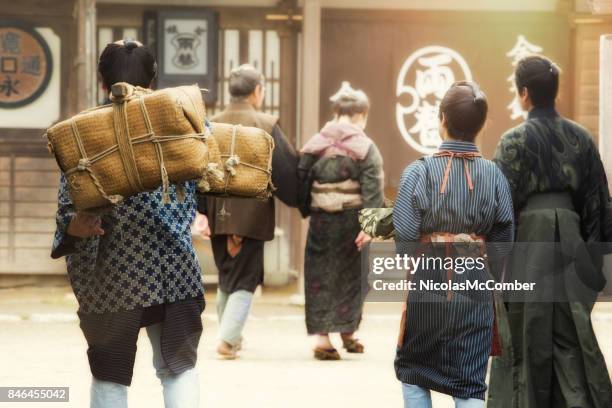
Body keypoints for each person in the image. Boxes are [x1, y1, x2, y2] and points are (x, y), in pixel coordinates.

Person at [51, 40, 204, 408]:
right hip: (174, 267)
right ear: (154, 77)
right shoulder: (178, 120)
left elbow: (68, 211)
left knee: (110, 374)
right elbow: (208, 172)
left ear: (103, 80)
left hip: (112, 274)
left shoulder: (82, 133)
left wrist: (74, 227)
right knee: (178, 368)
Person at [488, 55, 612, 408]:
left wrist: (499, 259)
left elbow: (501, 204)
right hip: (571, 237)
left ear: (524, 94)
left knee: (528, 329)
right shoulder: (580, 138)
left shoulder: (513, 141)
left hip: (530, 239)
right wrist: (593, 259)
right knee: (572, 332)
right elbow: (596, 200)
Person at [393, 81, 514, 407]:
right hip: (475, 285)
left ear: (441, 118)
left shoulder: (417, 173)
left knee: (414, 370)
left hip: (427, 283)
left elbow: (404, 241)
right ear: (483, 123)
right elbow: (503, 243)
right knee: (471, 381)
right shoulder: (495, 175)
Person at [197, 64, 299, 360]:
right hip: (252, 213)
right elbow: (285, 169)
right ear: (257, 92)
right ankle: (227, 340)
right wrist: (299, 197)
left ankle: (232, 336)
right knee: (245, 279)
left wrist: (202, 212)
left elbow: (198, 167)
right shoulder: (266, 124)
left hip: (218, 211)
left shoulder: (212, 124)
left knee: (229, 275)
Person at [298, 81, 384, 360]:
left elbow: (301, 181)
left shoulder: (315, 144)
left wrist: (308, 208)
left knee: (319, 275)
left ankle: (324, 338)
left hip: (322, 220)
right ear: (361, 115)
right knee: (354, 276)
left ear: (336, 114)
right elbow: (374, 189)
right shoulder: (366, 147)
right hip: (353, 220)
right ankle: (347, 331)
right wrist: (370, 227)